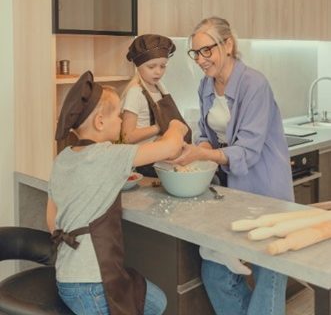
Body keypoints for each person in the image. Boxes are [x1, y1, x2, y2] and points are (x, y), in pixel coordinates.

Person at [171, 17, 294, 315]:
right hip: (233, 193)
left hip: (266, 190)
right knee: (216, 274)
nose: (200, 60)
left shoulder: (255, 84)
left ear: (228, 45)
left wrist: (202, 156)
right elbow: (206, 135)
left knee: (269, 274)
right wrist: (195, 149)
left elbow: (248, 151)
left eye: (206, 51)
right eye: (195, 53)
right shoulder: (205, 86)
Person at [47, 71, 187, 315]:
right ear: (100, 122)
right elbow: (171, 147)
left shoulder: (62, 159)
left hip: (67, 276)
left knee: (156, 301)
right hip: (93, 284)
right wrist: (176, 124)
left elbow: (51, 220)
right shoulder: (111, 155)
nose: (123, 121)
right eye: (119, 115)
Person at [121, 34, 191, 176]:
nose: (158, 71)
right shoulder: (135, 93)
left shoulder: (158, 89)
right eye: (151, 66)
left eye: (163, 66)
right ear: (139, 66)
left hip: (160, 157)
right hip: (145, 163)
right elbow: (127, 137)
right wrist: (160, 126)